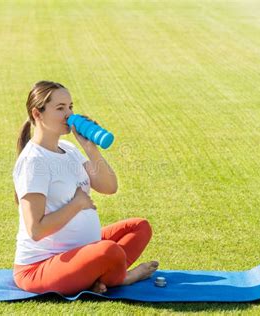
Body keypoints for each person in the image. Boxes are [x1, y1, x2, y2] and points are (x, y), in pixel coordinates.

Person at [12, 80, 158, 295]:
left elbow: (109, 187)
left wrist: (90, 148)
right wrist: (77, 204)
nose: (68, 114)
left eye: (70, 107)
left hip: (83, 252)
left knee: (139, 227)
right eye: (60, 108)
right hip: (40, 267)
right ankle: (124, 278)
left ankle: (94, 275)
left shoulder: (69, 149)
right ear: (37, 114)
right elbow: (36, 230)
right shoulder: (34, 162)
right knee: (109, 251)